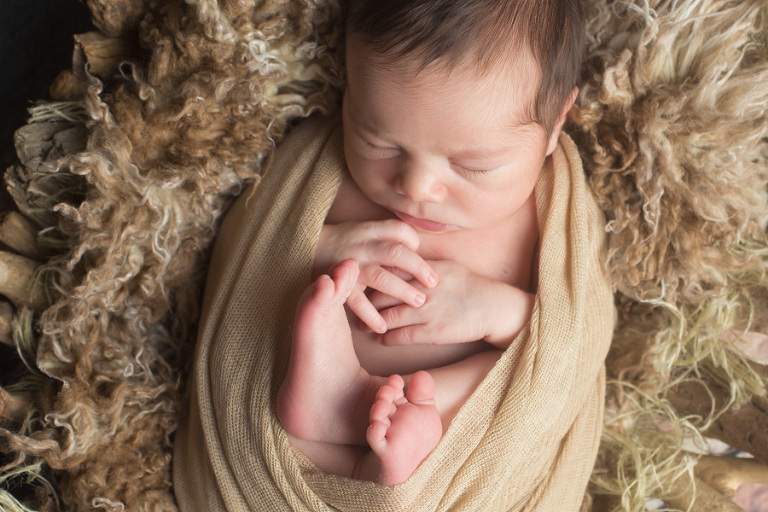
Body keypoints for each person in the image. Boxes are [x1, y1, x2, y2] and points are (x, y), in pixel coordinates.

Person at [275, 0, 587, 487]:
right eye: (381, 143)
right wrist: (318, 246)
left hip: (450, 445)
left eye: (471, 167)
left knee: (510, 377)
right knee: (277, 420)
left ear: (556, 123)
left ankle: (367, 431)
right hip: (293, 433)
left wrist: (499, 311)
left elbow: (576, 340)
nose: (416, 188)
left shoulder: (550, 215)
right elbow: (249, 243)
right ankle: (337, 428)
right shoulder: (324, 165)